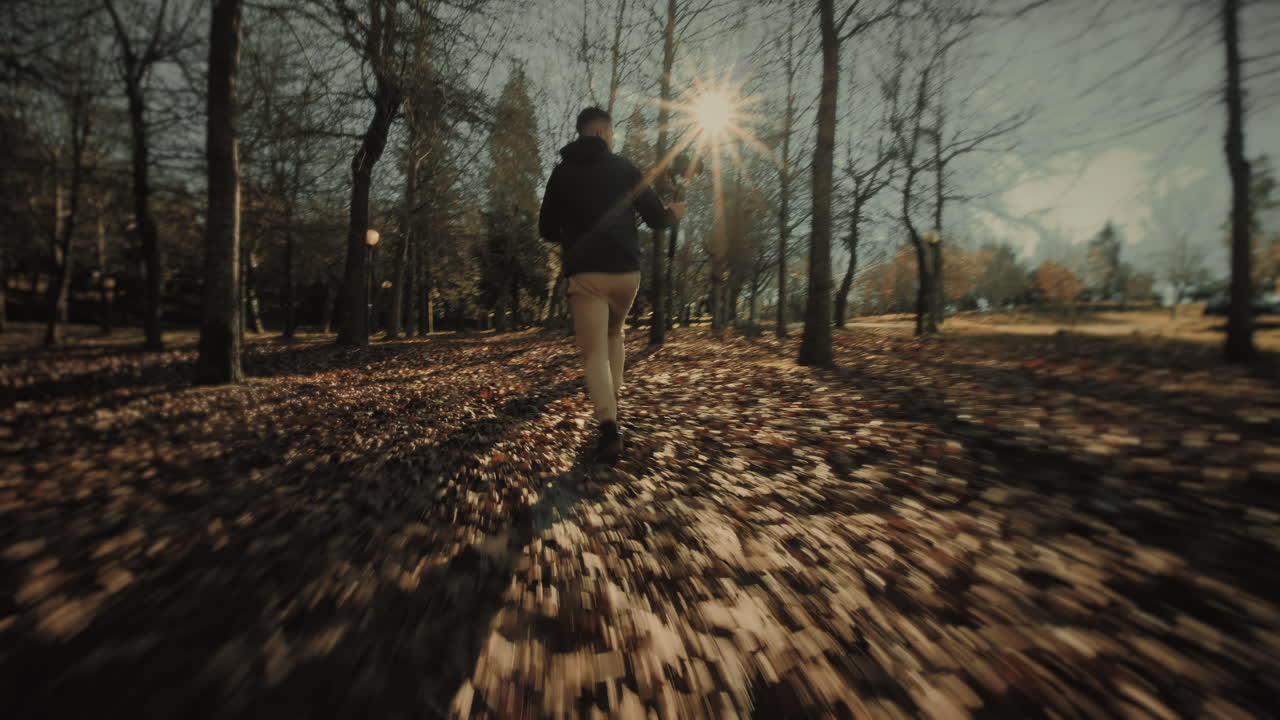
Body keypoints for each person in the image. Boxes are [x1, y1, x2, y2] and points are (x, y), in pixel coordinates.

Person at [538, 107, 686, 465]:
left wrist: (572, 231)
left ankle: (609, 429)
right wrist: (674, 213)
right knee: (614, 334)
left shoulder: (561, 173)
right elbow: (656, 219)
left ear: (582, 132)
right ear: (603, 133)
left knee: (594, 354)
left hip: (587, 275)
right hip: (626, 273)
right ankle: (613, 406)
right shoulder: (624, 168)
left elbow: (546, 230)